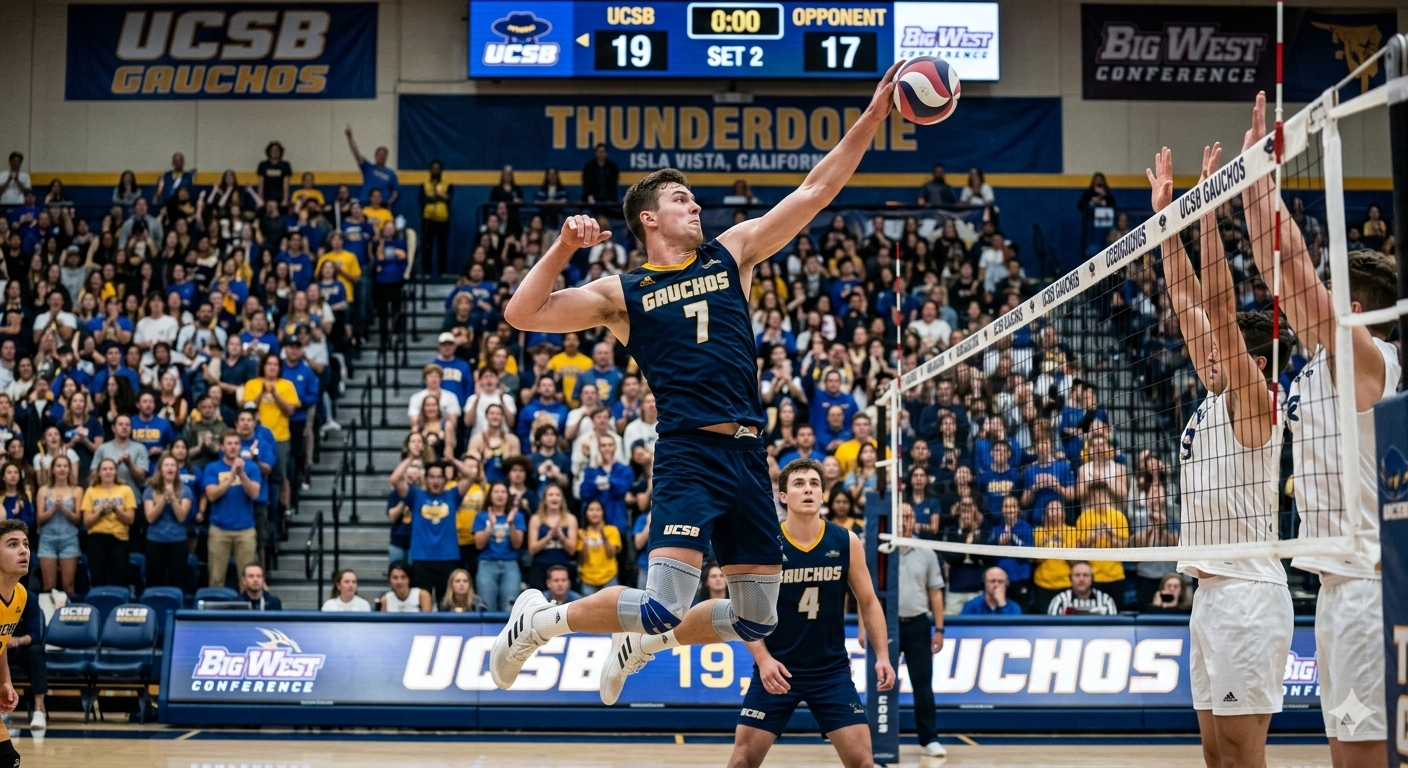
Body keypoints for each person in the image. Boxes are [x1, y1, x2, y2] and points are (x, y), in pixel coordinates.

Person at [493, 64, 904, 706]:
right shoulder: (622, 293)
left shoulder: (730, 252)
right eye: (681, 200)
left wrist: (874, 116)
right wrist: (562, 249)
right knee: (662, 602)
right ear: (650, 220)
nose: (696, 206)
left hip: (747, 453)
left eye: (693, 199)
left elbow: (816, 189)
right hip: (689, 451)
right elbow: (521, 314)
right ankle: (540, 621)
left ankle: (642, 643)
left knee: (757, 620)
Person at [1243, 92, 1399, 768]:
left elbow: (1298, 277)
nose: (1319, 302)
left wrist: (1267, 178)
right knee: (1345, 757)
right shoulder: (1319, 366)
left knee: (1363, 760)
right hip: (1336, 590)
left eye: (1336, 296)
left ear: (1356, 308)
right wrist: (1253, 188)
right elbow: (1279, 273)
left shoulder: (1373, 357)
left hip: (1370, 587)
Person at [1152, 140, 1295, 768]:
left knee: (1242, 759)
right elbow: (1188, 304)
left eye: (1219, 349)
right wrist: (1165, 223)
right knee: (1216, 760)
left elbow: (1215, 304)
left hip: (1248, 594)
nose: (1201, 352)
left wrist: (1206, 208)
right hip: (1208, 595)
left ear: (1251, 359)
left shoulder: (1254, 398)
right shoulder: (1211, 396)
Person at [726, 459, 894, 768]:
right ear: (783, 496)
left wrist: (882, 655)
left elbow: (869, 601)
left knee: (864, 764)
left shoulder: (846, 541)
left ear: (823, 494)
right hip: (777, 669)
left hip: (830, 672)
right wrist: (763, 661)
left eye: (814, 484)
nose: (808, 490)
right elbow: (740, 609)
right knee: (741, 762)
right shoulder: (764, 543)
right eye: (799, 484)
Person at [390, 455, 478, 602]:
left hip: (448, 558)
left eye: (439, 477)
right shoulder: (415, 495)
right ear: (425, 479)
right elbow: (395, 479)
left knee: (447, 604)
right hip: (421, 559)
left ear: (445, 480)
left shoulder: (453, 495)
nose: (435, 481)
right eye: (431, 477)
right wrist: (411, 458)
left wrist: (451, 460)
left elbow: (470, 475)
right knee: (423, 606)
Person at [896, 504, 947, 758]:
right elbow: (867, 592)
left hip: (917, 624)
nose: (904, 521)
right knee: (881, 684)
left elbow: (935, 592)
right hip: (887, 625)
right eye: (900, 516)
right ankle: (875, 738)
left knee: (923, 685)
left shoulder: (926, 551)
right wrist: (864, 627)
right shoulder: (883, 549)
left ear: (914, 520)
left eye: (908, 516)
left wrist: (939, 629)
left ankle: (929, 739)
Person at [202, 431, 263, 588]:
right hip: (219, 529)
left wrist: (241, 473)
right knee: (216, 579)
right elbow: (212, 495)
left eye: (236, 443)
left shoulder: (251, 467)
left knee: (249, 581)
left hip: (245, 530)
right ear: (222, 447)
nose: (233, 447)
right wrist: (231, 476)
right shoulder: (212, 468)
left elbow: (254, 493)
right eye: (229, 443)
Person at [0, 519, 31, 766]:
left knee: (9, 760)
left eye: (26, 544)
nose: (23, 550)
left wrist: (5, 681)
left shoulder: (20, 594)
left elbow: (1, 645)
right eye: (13, 544)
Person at [81, 457, 137, 587]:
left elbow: (130, 519)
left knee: (119, 579)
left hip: (119, 539)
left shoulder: (125, 490)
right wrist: (100, 511)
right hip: (96, 539)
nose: (108, 472)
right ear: (99, 472)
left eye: (111, 469)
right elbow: (87, 522)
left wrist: (116, 509)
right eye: (104, 469)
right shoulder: (91, 491)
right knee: (98, 579)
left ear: (116, 472)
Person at [143, 455, 193, 589]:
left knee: (177, 581)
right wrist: (164, 499)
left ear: (177, 470)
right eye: (166, 465)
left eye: (173, 465)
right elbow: (150, 517)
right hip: (155, 541)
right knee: (154, 580)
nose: (170, 468)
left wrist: (173, 498)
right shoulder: (150, 490)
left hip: (178, 541)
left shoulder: (185, 490)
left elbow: (182, 517)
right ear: (160, 469)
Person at [37, 454, 83, 595]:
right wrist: (54, 508)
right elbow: (40, 519)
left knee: (68, 586)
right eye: (59, 466)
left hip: (69, 539)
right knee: (48, 586)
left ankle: (69, 616)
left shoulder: (77, 490)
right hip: (47, 540)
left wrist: (63, 508)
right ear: (53, 470)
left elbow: (77, 519)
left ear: (69, 469)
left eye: (65, 466)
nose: (62, 469)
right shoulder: (43, 490)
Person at [6, 590, 46, 731]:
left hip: (21, 647)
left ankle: (39, 710)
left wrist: (17, 640)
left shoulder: (28, 597)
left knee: (36, 652)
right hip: (1, 647)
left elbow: (36, 635)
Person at [345, 124, 399, 211]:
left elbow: (395, 191)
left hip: (382, 206)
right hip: (365, 203)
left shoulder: (391, 174)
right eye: (380, 154)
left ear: (387, 157)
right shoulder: (368, 168)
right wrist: (350, 138)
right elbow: (357, 154)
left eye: (384, 155)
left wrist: (389, 202)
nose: (382, 157)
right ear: (375, 156)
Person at [1045, 561, 1117, 616]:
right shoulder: (1059, 601)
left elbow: (1114, 630)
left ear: (1092, 578)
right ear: (1070, 578)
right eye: (1077, 575)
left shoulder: (1106, 601)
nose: (1081, 579)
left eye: (1085, 575)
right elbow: (1051, 630)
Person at [419, 160, 453, 276]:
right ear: (430, 170)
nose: (435, 171)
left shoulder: (447, 184)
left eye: (437, 168)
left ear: (441, 171)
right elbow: (422, 200)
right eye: (433, 168)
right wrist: (435, 198)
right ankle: (427, 272)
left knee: (442, 247)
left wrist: (442, 197)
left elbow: (449, 199)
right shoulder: (424, 184)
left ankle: (442, 271)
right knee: (427, 246)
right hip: (428, 219)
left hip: (442, 220)